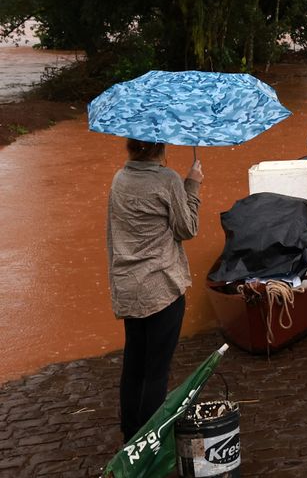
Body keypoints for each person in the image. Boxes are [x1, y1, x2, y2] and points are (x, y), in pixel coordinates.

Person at [107, 138, 203, 442]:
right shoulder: (168, 180)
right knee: (156, 371)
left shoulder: (119, 178)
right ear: (160, 146)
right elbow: (187, 229)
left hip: (129, 287)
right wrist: (193, 185)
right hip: (162, 287)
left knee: (134, 364)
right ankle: (150, 443)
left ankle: (130, 437)